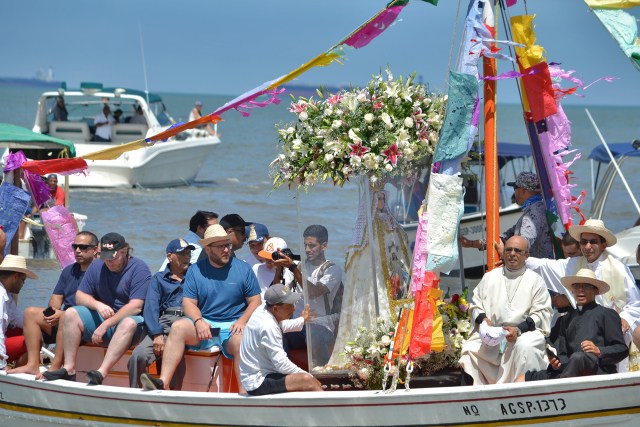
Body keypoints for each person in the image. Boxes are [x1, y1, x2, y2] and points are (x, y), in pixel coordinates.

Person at [139, 224, 261, 393]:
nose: (226, 250)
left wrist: (242, 321)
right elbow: (188, 303)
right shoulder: (195, 270)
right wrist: (198, 321)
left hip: (233, 326)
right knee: (178, 327)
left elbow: (256, 301)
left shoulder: (243, 269)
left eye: (228, 245)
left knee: (242, 339)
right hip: (206, 325)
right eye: (221, 246)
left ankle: (244, 393)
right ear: (208, 249)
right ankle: (163, 383)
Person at [43, 232, 151, 384]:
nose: (109, 262)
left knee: (129, 322)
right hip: (104, 318)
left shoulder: (139, 268)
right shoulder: (97, 264)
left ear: (124, 252)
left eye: (113, 257)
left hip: (130, 323)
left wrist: (106, 324)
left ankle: (101, 372)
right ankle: (69, 368)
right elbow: (80, 296)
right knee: (71, 313)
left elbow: (136, 306)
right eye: (105, 257)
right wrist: (98, 305)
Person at [519, 218, 640, 351]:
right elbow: (543, 266)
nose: (587, 247)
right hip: (586, 330)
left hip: (615, 331)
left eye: (593, 242)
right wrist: (516, 256)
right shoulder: (572, 265)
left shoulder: (619, 269)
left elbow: (635, 305)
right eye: (583, 242)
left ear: (603, 245)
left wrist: (624, 319)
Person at [458, 236, 553, 385]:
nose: (512, 254)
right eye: (508, 250)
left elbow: (542, 313)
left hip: (523, 332)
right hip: (493, 333)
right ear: (503, 253)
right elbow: (475, 305)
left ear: (526, 255)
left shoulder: (536, 280)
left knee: (526, 347)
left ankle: (524, 392)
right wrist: (483, 320)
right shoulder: (490, 277)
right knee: (469, 349)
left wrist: (518, 329)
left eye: (517, 251)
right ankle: (473, 399)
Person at [7, 232, 98, 376]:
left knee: (67, 316)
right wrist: (54, 312)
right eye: (75, 247)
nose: (78, 251)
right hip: (64, 319)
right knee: (30, 312)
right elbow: (56, 298)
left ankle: (56, 366)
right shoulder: (69, 271)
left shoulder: (100, 272)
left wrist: (62, 314)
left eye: (83, 247)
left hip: (86, 322)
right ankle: (32, 364)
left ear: (95, 249)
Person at [521, 269, 628, 381]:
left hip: (599, 371)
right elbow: (563, 354)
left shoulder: (607, 314)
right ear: (572, 291)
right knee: (524, 378)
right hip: (569, 370)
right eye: (577, 286)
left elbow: (621, 349)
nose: (580, 290)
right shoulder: (564, 319)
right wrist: (557, 362)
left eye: (586, 286)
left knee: (578, 357)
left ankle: (561, 388)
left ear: (595, 291)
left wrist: (599, 351)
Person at [128, 238, 193, 388]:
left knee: (177, 348)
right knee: (138, 356)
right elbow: (151, 308)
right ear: (170, 256)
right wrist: (157, 334)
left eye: (188, 253)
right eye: (182, 254)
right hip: (164, 322)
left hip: (187, 321)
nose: (187, 257)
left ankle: (172, 395)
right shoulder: (158, 279)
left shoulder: (195, 275)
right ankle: (135, 393)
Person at [240, 284, 322, 396]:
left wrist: (302, 319)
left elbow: (281, 325)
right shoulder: (267, 326)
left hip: (263, 375)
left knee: (306, 379)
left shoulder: (264, 309)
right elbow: (282, 364)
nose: (293, 309)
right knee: (306, 380)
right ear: (276, 309)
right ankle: (331, 408)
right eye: (289, 306)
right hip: (257, 382)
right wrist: (310, 377)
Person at [460, 172, 554, 259]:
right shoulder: (539, 209)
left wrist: (503, 253)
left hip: (535, 274)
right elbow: (505, 237)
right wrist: (471, 243)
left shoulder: (532, 214)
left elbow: (520, 248)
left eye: (515, 188)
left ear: (523, 190)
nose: (514, 193)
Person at [287, 225, 342, 367]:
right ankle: (283, 377)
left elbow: (313, 292)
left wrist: (293, 268)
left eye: (312, 246)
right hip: (298, 324)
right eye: (305, 245)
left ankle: (321, 377)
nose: (307, 250)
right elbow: (282, 294)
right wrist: (278, 269)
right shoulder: (299, 266)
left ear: (324, 246)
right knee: (274, 334)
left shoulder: (332, 269)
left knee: (314, 336)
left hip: (321, 325)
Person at [0, 255, 38, 370]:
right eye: (23, 280)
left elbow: (21, 321)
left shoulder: (7, 295)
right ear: (15, 277)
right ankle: (15, 375)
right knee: (33, 340)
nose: (24, 284)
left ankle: (19, 370)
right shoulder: (1, 295)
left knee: (32, 332)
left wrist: (41, 326)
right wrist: (1, 365)